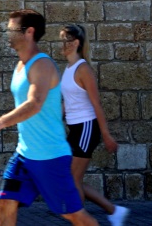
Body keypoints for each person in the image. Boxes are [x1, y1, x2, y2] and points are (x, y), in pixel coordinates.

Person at [0, 9, 97, 226]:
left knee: (73, 215)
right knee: (6, 204)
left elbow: (35, 103)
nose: (8, 34)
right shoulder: (21, 65)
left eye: (12, 30)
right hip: (24, 155)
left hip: (50, 157)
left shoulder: (42, 64)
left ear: (29, 32)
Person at [59, 24, 130, 226]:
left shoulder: (83, 69)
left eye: (65, 40)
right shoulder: (69, 67)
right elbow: (68, 101)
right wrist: (54, 119)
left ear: (75, 43)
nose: (61, 44)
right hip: (75, 129)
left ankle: (80, 221)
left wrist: (106, 135)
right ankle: (114, 210)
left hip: (86, 129)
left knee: (72, 182)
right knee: (73, 179)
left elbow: (96, 103)